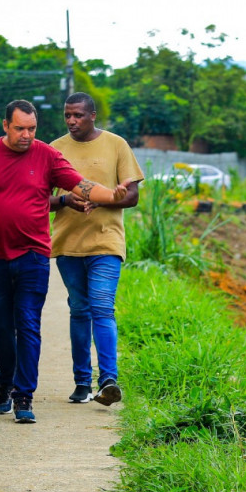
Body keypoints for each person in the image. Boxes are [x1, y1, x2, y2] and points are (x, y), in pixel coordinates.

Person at [0, 99, 134, 424]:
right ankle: (6, 384)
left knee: (28, 324)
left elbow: (80, 184)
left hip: (33, 255)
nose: (26, 135)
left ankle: (24, 395)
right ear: (5, 126)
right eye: (20, 129)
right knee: (1, 328)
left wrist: (111, 196)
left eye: (31, 128)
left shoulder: (46, 154)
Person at [50, 93, 143, 406]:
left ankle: (108, 380)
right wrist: (65, 200)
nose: (72, 121)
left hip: (106, 241)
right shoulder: (54, 149)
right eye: (68, 115)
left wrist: (101, 198)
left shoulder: (116, 145)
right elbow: (39, 198)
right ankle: (81, 382)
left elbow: (131, 196)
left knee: (102, 306)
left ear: (92, 115)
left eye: (78, 115)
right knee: (79, 310)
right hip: (68, 243)